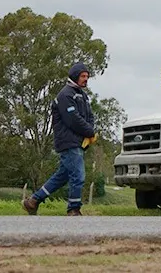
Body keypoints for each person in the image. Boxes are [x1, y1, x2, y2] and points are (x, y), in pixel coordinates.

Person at [23, 61, 96, 216]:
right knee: (78, 175)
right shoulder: (65, 95)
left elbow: (90, 116)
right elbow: (73, 119)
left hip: (78, 142)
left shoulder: (83, 96)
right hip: (68, 142)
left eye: (87, 76)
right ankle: (73, 209)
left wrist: (91, 131)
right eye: (83, 76)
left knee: (62, 176)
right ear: (75, 76)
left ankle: (33, 202)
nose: (85, 79)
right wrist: (89, 131)